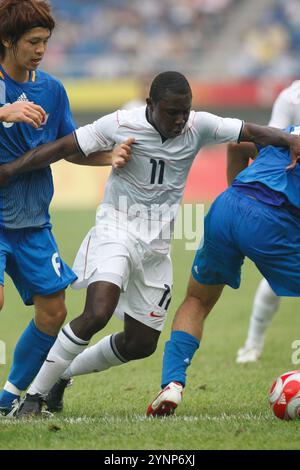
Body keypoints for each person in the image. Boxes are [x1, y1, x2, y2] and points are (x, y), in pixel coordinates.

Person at [1, 71, 300, 417]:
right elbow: (62, 147)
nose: (179, 120)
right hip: (116, 227)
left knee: (140, 344)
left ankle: (61, 374)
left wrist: (287, 140)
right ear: (151, 105)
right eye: (172, 112)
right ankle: (33, 397)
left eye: (185, 111)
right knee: (97, 311)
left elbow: (249, 132)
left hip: (156, 247)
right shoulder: (119, 123)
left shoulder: (198, 126)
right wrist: (8, 172)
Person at [0, 0, 128, 418]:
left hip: (33, 220)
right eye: (32, 42)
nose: (40, 49)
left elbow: (72, 148)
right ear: (7, 40)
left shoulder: (52, 90)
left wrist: (111, 157)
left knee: (54, 312)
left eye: (45, 42)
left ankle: (8, 397)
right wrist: (3, 111)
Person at [147, 123, 300, 417]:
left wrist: (238, 199)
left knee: (198, 300)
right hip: (272, 221)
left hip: (227, 207)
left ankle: (172, 385)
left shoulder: (291, 131)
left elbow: (237, 145)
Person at [227, 80, 300, 364]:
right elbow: (269, 145)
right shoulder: (291, 97)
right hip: (289, 199)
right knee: (275, 276)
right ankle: (252, 344)